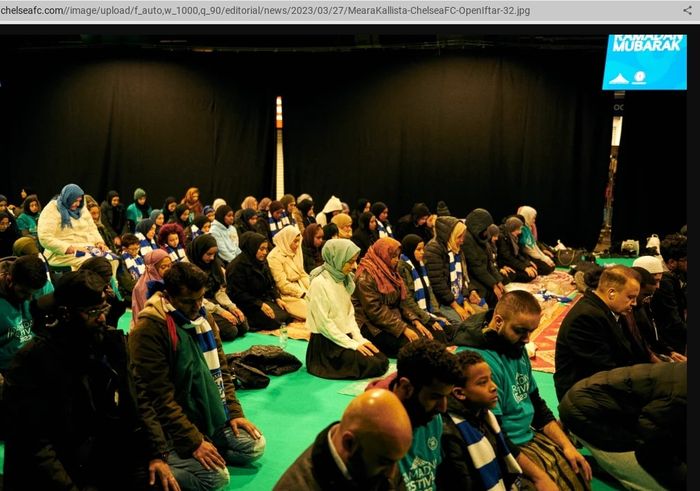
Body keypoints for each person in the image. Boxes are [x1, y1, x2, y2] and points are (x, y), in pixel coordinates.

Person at [3, 270, 181, 491]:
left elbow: (138, 400)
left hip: (109, 454)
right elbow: (35, 444)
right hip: (65, 468)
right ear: (66, 314)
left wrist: (156, 454)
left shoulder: (110, 342)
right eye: (93, 311)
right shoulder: (32, 361)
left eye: (103, 308)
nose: (102, 317)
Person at [130, 262, 266, 489]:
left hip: (207, 416)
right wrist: (193, 441)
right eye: (187, 301)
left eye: (200, 298)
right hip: (170, 428)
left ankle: (207, 446)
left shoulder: (204, 318)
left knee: (254, 445)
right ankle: (162, 466)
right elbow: (159, 398)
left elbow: (222, 370)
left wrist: (233, 412)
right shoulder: (150, 329)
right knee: (216, 479)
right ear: (168, 295)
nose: (196, 307)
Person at [458, 290, 592, 490]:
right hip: (503, 446)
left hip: (526, 437)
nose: (527, 339)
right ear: (498, 321)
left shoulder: (515, 347)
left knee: (578, 472)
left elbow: (537, 405)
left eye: (531, 331)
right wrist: (538, 477)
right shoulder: (478, 363)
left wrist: (567, 446)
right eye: (520, 330)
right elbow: (494, 432)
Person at [558, 362, 686, 491]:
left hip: (612, 408)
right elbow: (649, 440)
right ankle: (584, 455)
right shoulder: (681, 396)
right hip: (585, 415)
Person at [274, 388, 412, 490]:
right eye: (383, 462)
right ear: (349, 443)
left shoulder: (381, 455)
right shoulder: (296, 486)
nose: (393, 474)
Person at [377, 339, 464, 491]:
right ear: (406, 387)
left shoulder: (431, 419)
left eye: (446, 397)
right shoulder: (374, 433)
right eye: (435, 397)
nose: (443, 408)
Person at [555, 265, 648, 402]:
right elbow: (602, 371)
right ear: (612, 293)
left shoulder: (612, 310)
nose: (634, 303)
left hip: (604, 384)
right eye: (630, 297)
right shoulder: (585, 318)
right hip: (583, 398)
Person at [437, 349, 523, 490]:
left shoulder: (484, 415)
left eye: (491, 379)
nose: (494, 387)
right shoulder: (451, 433)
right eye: (483, 382)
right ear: (459, 393)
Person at [305, 239, 388, 380]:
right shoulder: (319, 283)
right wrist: (351, 345)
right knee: (369, 364)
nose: (354, 266)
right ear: (336, 258)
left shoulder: (344, 279)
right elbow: (324, 324)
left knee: (380, 359)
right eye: (350, 262)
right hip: (326, 344)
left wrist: (359, 339)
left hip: (344, 335)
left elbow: (350, 315)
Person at [352, 237, 427, 357]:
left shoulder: (389, 269)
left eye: (398, 256)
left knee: (426, 336)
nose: (396, 260)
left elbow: (401, 301)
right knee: (412, 348)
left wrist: (415, 320)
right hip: (372, 326)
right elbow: (375, 312)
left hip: (391, 319)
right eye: (393, 256)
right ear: (383, 254)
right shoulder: (365, 276)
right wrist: (403, 329)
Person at [37, 183, 118, 272]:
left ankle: (109, 285)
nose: (77, 204)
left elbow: (92, 228)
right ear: (67, 198)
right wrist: (69, 248)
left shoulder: (82, 209)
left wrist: (99, 242)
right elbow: (45, 238)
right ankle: (92, 285)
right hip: (60, 254)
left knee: (113, 260)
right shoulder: (51, 210)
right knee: (95, 264)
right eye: (75, 201)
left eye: (79, 201)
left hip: (87, 248)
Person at [186, 234, 249, 341]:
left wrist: (231, 307)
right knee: (231, 331)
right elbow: (198, 299)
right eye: (208, 254)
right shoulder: (188, 269)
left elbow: (219, 291)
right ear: (199, 251)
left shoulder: (213, 264)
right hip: (198, 305)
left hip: (214, 301)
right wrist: (221, 312)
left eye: (214, 254)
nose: (212, 258)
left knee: (243, 325)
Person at [226, 231, 293, 331]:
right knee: (274, 321)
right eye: (261, 249)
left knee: (286, 315)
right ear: (251, 248)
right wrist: (260, 304)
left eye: (266, 249)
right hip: (247, 304)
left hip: (261, 300)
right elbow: (238, 294)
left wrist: (277, 298)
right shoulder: (236, 267)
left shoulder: (261, 262)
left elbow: (270, 283)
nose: (265, 252)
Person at [423, 216, 479, 325]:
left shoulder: (456, 248)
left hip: (456, 298)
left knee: (481, 311)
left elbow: (461, 277)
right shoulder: (434, 250)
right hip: (442, 302)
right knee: (463, 323)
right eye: (459, 237)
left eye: (463, 237)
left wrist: (465, 300)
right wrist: (457, 306)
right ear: (450, 235)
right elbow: (438, 284)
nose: (462, 241)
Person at [397, 234, 452, 344]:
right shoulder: (402, 269)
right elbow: (408, 301)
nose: (422, 252)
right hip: (416, 316)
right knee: (439, 335)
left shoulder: (421, 265)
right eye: (419, 249)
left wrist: (437, 314)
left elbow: (430, 292)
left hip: (428, 312)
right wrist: (429, 319)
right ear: (410, 250)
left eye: (423, 249)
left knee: (449, 327)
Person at [0, 255, 47, 373]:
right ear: (9, 281)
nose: (30, 298)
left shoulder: (39, 284)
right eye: (24, 292)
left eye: (35, 293)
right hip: (9, 369)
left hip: (38, 357)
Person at [462, 208, 506, 308]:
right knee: (492, 295)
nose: (487, 231)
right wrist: (493, 284)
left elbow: (489, 263)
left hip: (483, 275)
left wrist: (498, 280)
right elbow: (476, 267)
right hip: (472, 278)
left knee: (502, 289)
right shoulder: (467, 239)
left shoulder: (482, 238)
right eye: (486, 227)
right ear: (479, 226)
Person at [651, 233, 687, 353]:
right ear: (671, 262)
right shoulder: (663, 282)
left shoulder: (677, 274)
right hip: (669, 344)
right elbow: (673, 321)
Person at [266, 224, 310, 320]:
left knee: (322, 302)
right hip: (286, 294)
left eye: (299, 241)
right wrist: (302, 294)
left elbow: (302, 274)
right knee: (311, 311)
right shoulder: (274, 257)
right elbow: (282, 285)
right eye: (295, 241)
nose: (297, 245)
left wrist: (312, 288)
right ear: (287, 240)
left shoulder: (296, 251)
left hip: (301, 286)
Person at [130, 249, 172, 327]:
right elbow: (146, 313)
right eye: (163, 267)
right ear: (152, 268)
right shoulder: (142, 287)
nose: (167, 269)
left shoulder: (170, 279)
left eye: (169, 266)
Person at [496, 216, 538, 283]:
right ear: (513, 229)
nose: (520, 232)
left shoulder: (513, 237)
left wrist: (527, 263)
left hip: (511, 261)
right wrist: (524, 267)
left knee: (533, 270)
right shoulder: (502, 237)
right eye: (518, 229)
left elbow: (517, 253)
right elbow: (507, 257)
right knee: (528, 275)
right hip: (504, 263)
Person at [515, 206, 555, 276]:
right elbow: (527, 250)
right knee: (547, 268)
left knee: (551, 261)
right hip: (526, 256)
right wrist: (543, 258)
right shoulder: (521, 230)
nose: (534, 221)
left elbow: (534, 245)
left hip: (533, 254)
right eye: (533, 218)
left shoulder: (527, 228)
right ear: (527, 216)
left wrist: (545, 257)